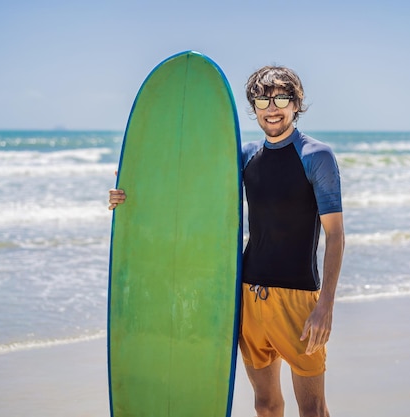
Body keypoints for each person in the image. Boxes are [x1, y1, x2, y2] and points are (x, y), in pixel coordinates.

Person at [108, 65, 344, 417]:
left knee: (312, 409)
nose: (272, 107)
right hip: (247, 298)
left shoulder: (316, 156)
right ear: (254, 107)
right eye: (262, 100)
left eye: (281, 97)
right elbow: (189, 183)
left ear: (296, 104)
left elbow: (335, 235)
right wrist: (130, 191)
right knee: (265, 405)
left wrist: (324, 306)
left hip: (298, 301)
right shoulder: (246, 156)